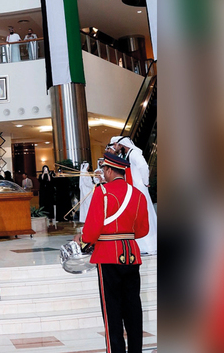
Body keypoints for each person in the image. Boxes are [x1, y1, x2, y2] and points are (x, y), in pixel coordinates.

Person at [74, 153, 149, 353]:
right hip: (131, 254)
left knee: (112, 310)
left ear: (108, 170)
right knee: (133, 307)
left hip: (108, 255)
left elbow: (91, 231)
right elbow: (143, 230)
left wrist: (82, 240)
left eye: (104, 171)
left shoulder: (103, 192)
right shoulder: (138, 194)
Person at [112, 136, 157, 255]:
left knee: (144, 216)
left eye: (116, 144)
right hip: (134, 189)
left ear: (122, 144)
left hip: (140, 189)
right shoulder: (128, 154)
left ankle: (149, 245)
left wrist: (145, 182)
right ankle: (141, 244)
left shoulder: (134, 154)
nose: (115, 147)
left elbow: (144, 167)